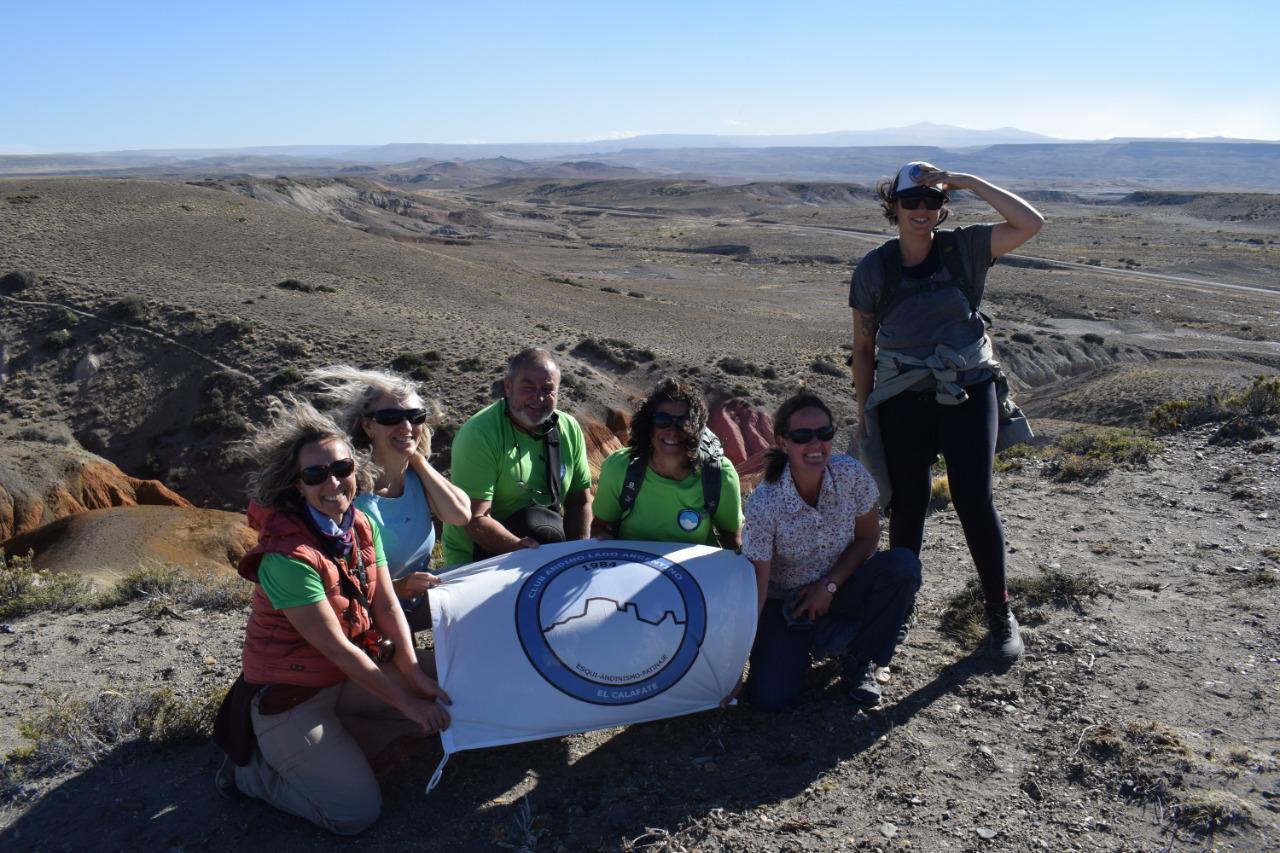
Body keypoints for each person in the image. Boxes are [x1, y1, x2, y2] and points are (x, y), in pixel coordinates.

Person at [217, 396, 451, 835]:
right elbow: (341, 650)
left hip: (344, 681)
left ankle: (336, 745)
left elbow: (384, 603)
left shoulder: (359, 523)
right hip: (295, 696)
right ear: (296, 484)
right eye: (315, 474)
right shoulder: (289, 557)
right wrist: (407, 702)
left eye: (342, 469)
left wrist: (415, 674)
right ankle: (252, 775)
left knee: (444, 692)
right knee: (354, 814)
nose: (333, 483)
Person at [850, 161, 1044, 662]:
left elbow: (1030, 224)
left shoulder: (965, 248)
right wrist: (865, 411)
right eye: (911, 202)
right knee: (909, 503)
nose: (921, 211)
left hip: (968, 389)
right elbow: (864, 346)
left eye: (932, 201)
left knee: (974, 497)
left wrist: (971, 181)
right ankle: (897, 612)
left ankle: (999, 613)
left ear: (943, 207)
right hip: (902, 396)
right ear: (892, 207)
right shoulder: (875, 268)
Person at [732, 393, 921, 712]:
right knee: (770, 698)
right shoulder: (765, 503)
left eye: (824, 433)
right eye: (802, 436)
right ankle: (818, 641)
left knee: (902, 566)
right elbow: (758, 589)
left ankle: (861, 659)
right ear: (782, 442)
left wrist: (828, 586)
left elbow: (868, 538)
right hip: (785, 606)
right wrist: (732, 666)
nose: (815, 444)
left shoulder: (851, 475)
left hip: (842, 585)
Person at [308, 365, 470, 631]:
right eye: (391, 417)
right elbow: (334, 584)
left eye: (416, 416)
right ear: (368, 425)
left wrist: (415, 456)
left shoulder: (418, 479)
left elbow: (460, 514)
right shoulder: (349, 489)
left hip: (409, 607)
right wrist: (397, 588)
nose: (406, 426)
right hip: (364, 617)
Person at [442, 347, 593, 567]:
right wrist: (528, 555)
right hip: (476, 559)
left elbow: (580, 501)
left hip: (540, 550)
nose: (538, 398)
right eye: (528, 387)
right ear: (508, 385)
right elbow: (475, 519)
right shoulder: (480, 434)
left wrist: (577, 555)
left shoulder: (568, 429)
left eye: (548, 389)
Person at [591, 376, 742, 548]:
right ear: (649, 425)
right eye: (662, 420)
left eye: (683, 422)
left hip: (694, 573)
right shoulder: (620, 468)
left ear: (696, 429)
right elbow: (600, 527)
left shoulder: (719, 476)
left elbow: (732, 540)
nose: (672, 431)